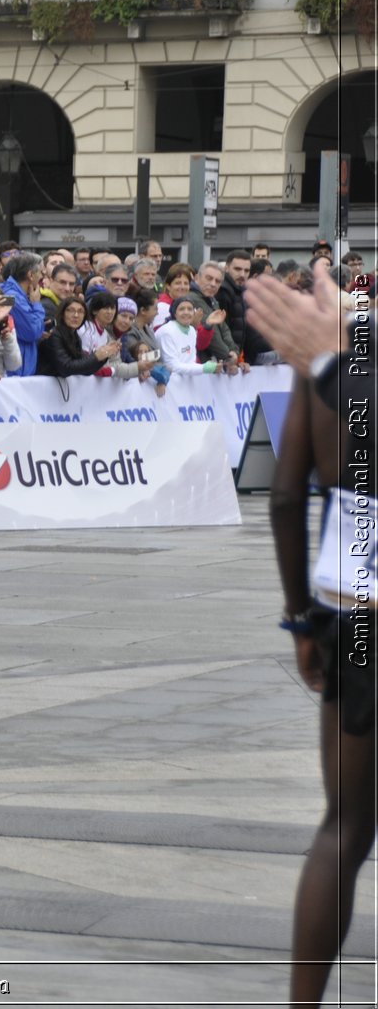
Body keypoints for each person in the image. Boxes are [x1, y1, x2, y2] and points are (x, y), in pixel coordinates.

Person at [253, 265, 374, 1008]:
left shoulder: (330, 350)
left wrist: (301, 617)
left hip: (352, 610)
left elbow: (287, 494)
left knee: (345, 824)